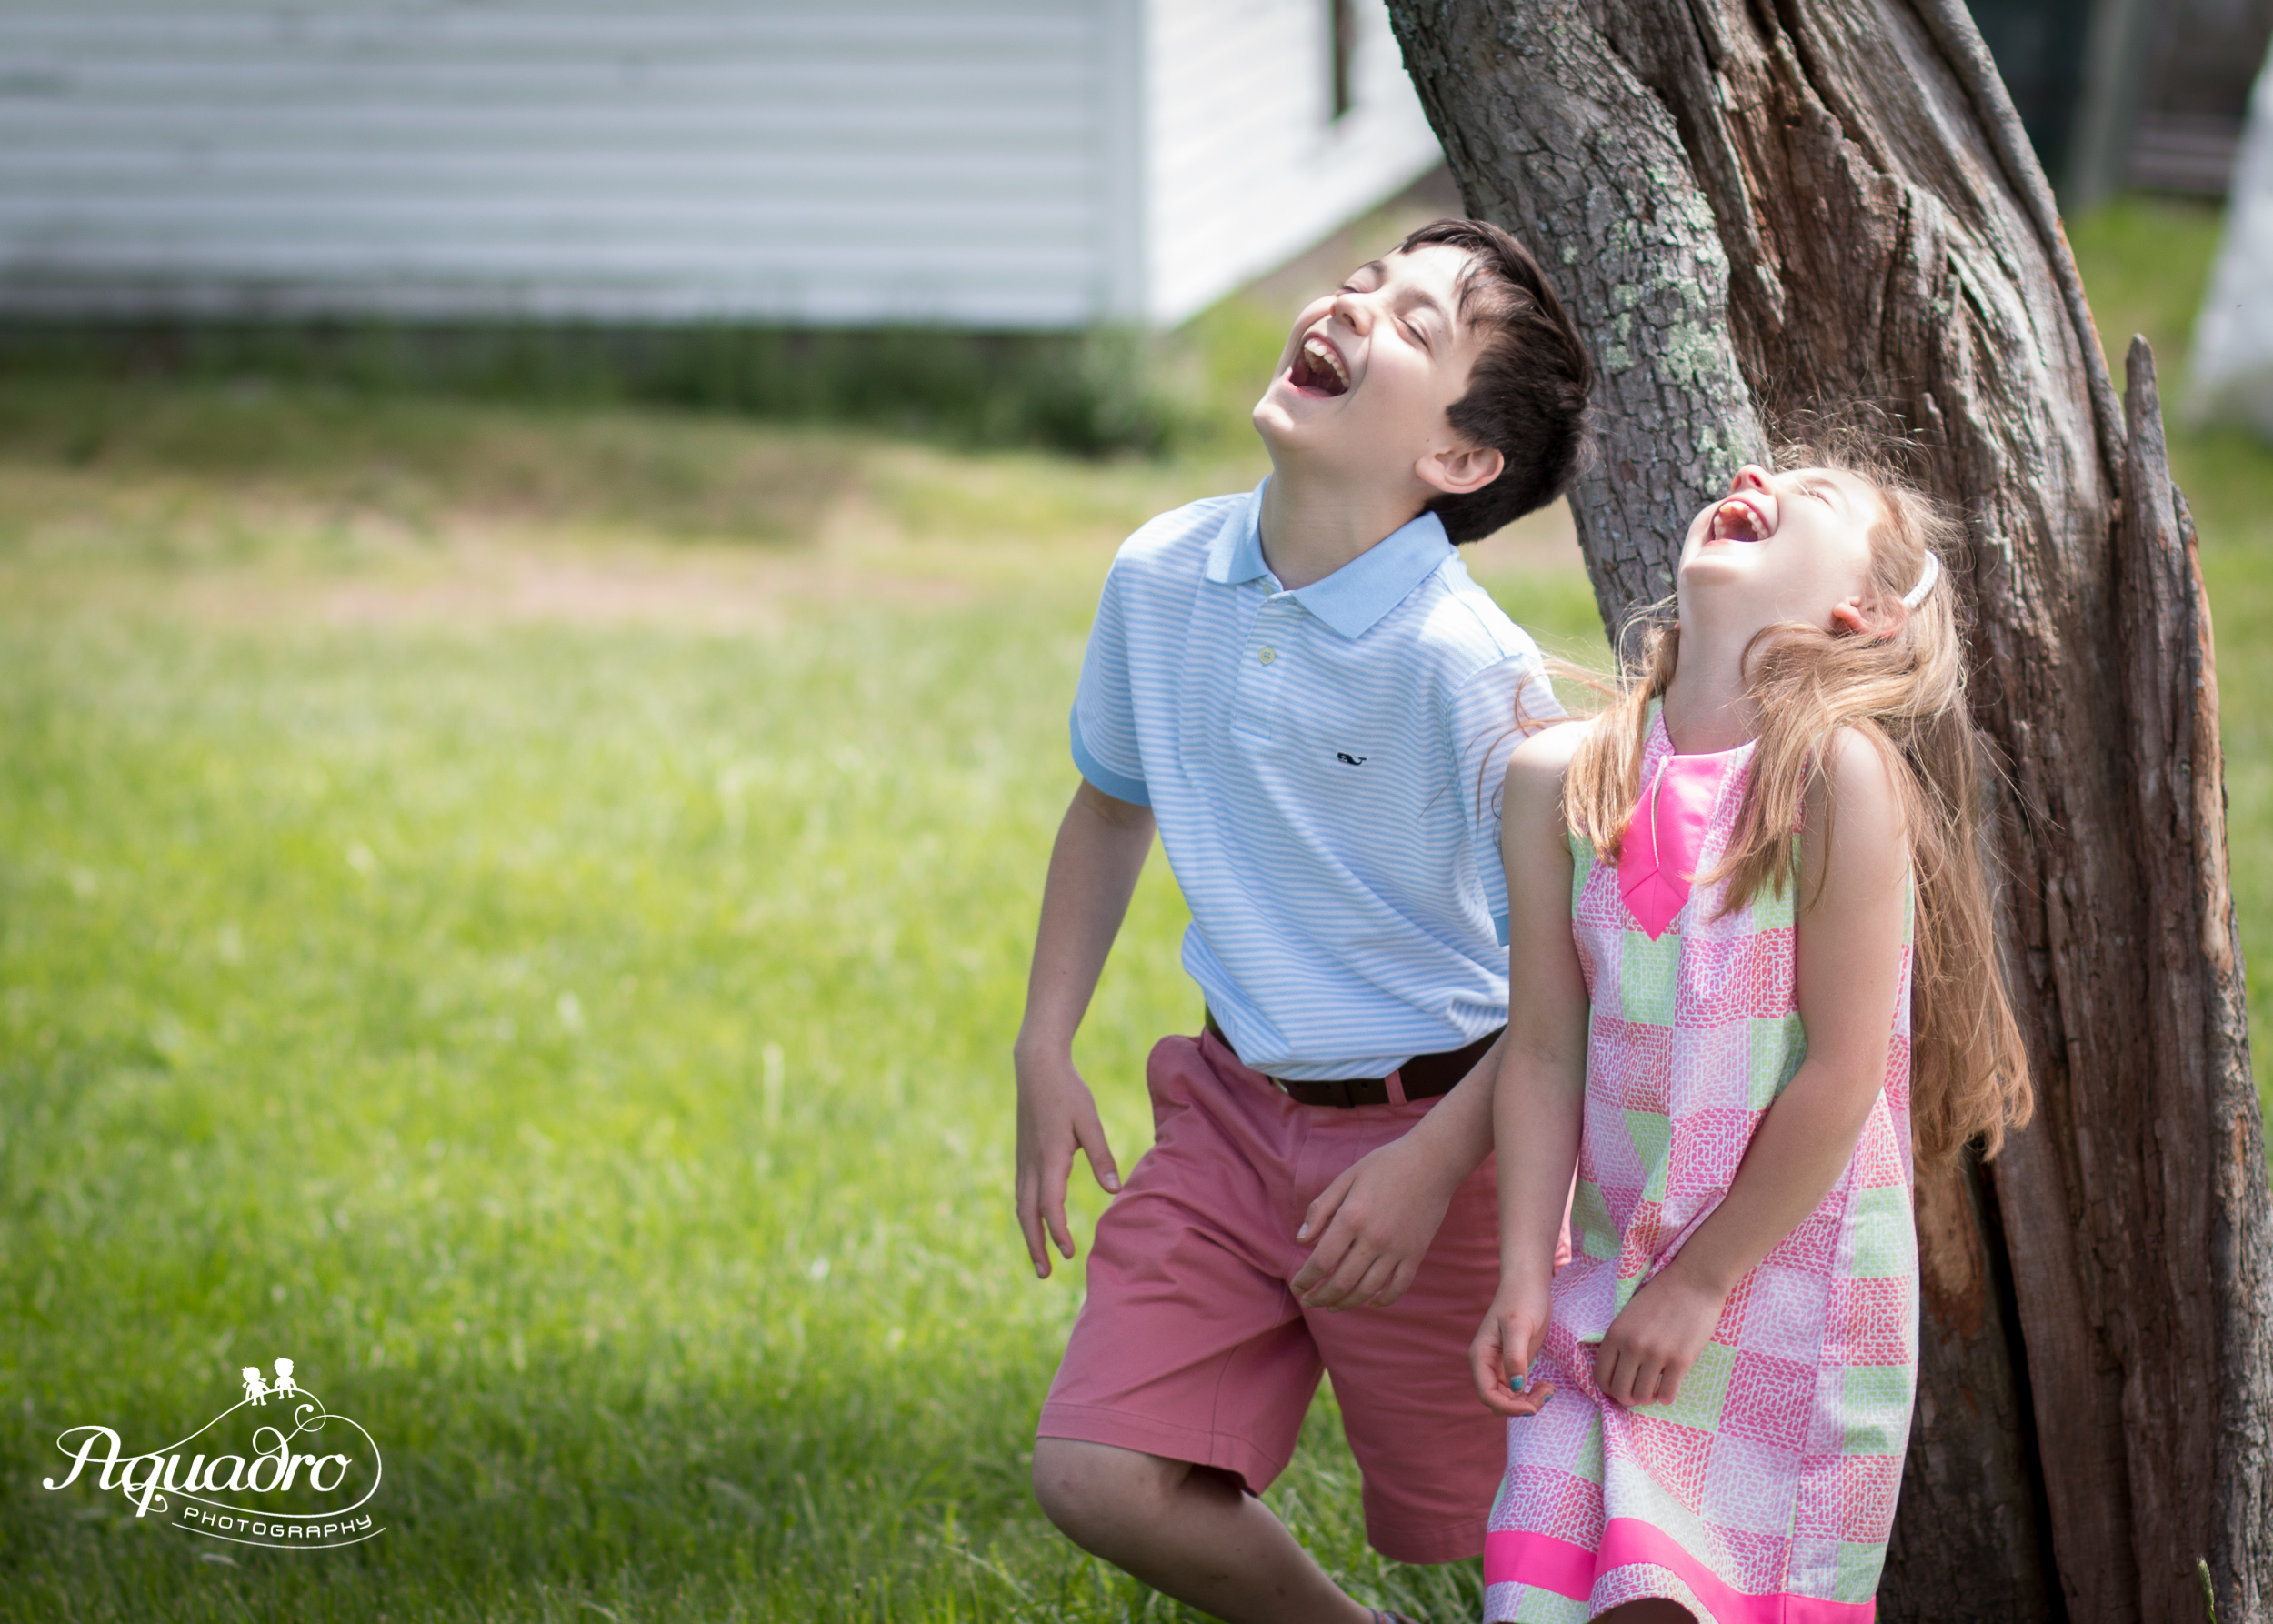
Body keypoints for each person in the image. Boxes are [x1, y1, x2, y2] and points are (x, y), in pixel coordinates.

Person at [1014, 218, 1594, 1624]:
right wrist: (1045, 1043)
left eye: (1413, 322)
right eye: (1364, 280)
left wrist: (1428, 1162)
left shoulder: (1478, 680)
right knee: (1097, 1469)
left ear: (1459, 460)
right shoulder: (1161, 573)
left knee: (1511, 1528)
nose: (1352, 303)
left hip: (1445, 1144)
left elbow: (1571, 983)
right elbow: (1109, 802)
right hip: (1226, 1107)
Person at [1472, 455, 2034, 1622]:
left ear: (1862, 614)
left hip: (1781, 1288)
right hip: (1606, 1267)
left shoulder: (1835, 775)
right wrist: (1525, 1267)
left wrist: (1701, 1282)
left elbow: (1841, 1070)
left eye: (1812, 495)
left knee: (1708, 1598)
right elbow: (1538, 1052)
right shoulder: (1554, 782)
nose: (1749, 473)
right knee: (1551, 1590)